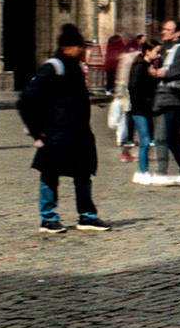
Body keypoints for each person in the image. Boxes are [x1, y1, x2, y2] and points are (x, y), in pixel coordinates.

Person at [18, 25, 111, 234]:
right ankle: (48, 217)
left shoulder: (76, 67)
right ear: (69, 47)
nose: (83, 50)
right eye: (80, 46)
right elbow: (26, 99)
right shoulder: (53, 67)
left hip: (79, 132)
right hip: (56, 132)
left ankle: (87, 215)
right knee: (50, 174)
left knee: (83, 174)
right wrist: (35, 130)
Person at [148, 18, 180, 186]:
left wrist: (164, 73)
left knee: (170, 135)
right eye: (163, 29)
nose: (164, 32)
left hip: (174, 99)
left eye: (168, 29)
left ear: (177, 33)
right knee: (168, 136)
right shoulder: (164, 48)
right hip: (162, 97)